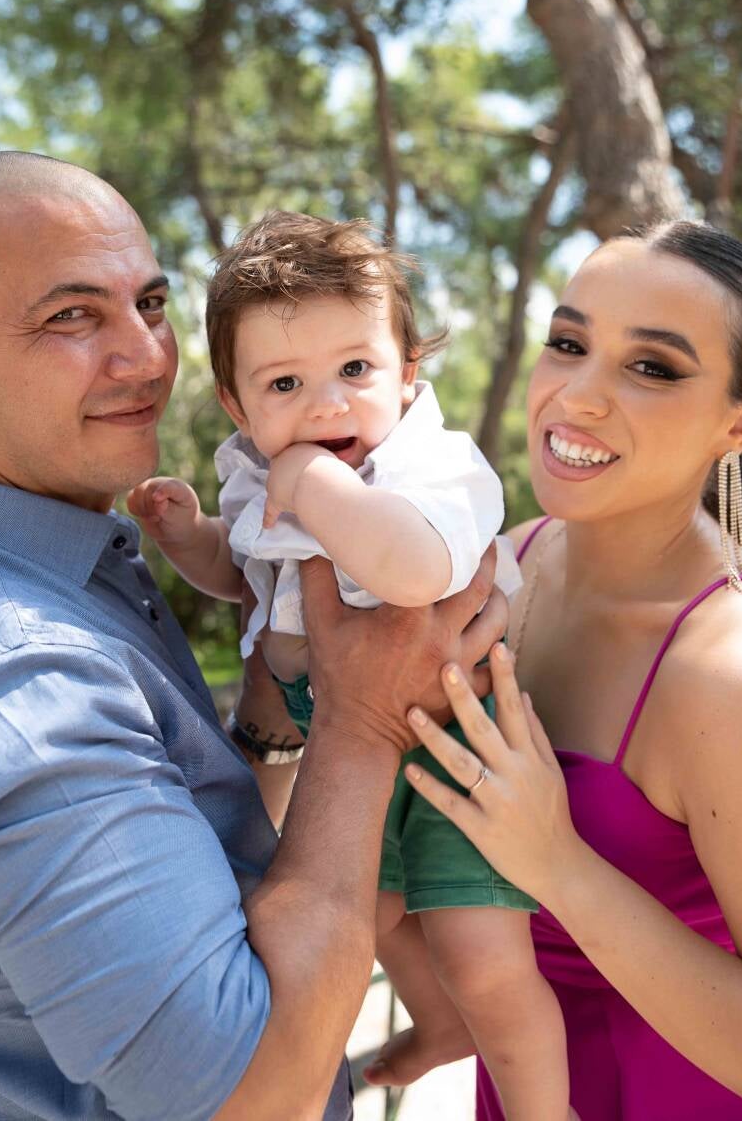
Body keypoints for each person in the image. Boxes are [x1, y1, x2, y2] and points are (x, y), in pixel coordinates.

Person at [0, 150, 507, 1121]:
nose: (149, 358)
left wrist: (273, 718)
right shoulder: (13, 671)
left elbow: (200, 834)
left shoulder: (71, 566)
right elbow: (252, 1097)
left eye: (150, 304)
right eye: (71, 316)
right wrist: (363, 722)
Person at [128, 210, 573, 1120]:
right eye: (285, 383)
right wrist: (190, 538)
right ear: (237, 405)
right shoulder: (258, 474)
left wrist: (318, 487)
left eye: (356, 370)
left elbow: (414, 572)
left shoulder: (434, 467)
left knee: (484, 956)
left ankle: (540, 1109)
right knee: (363, 919)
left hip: (455, 742)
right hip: (338, 735)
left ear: (408, 371)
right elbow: (249, 576)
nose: (327, 405)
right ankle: (436, 1022)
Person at [380, 221, 742, 1119]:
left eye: (652, 367)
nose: (578, 396)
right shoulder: (499, 567)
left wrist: (558, 865)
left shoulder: (721, 674)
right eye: (569, 344)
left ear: (734, 424)